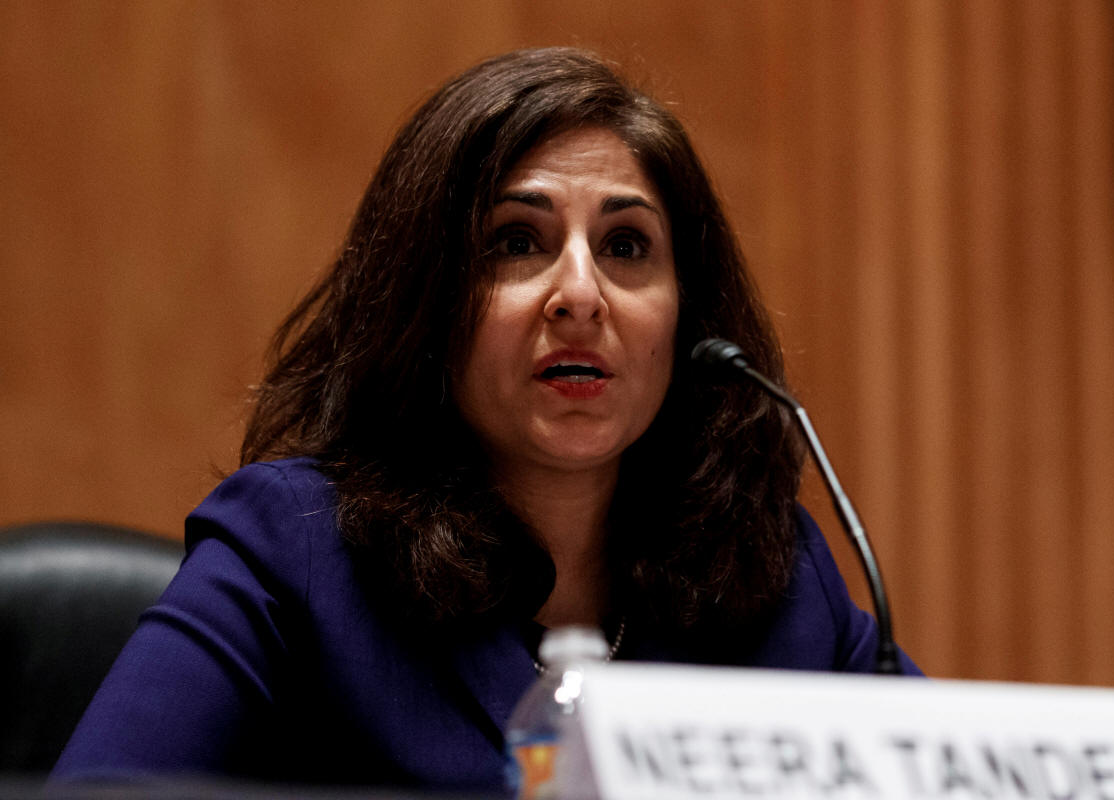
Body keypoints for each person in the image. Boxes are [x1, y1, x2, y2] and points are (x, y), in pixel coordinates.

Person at [52, 47, 920, 791]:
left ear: (688, 321)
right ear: (424, 303)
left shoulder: (773, 577)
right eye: (515, 242)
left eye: (626, 247)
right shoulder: (296, 552)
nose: (580, 293)